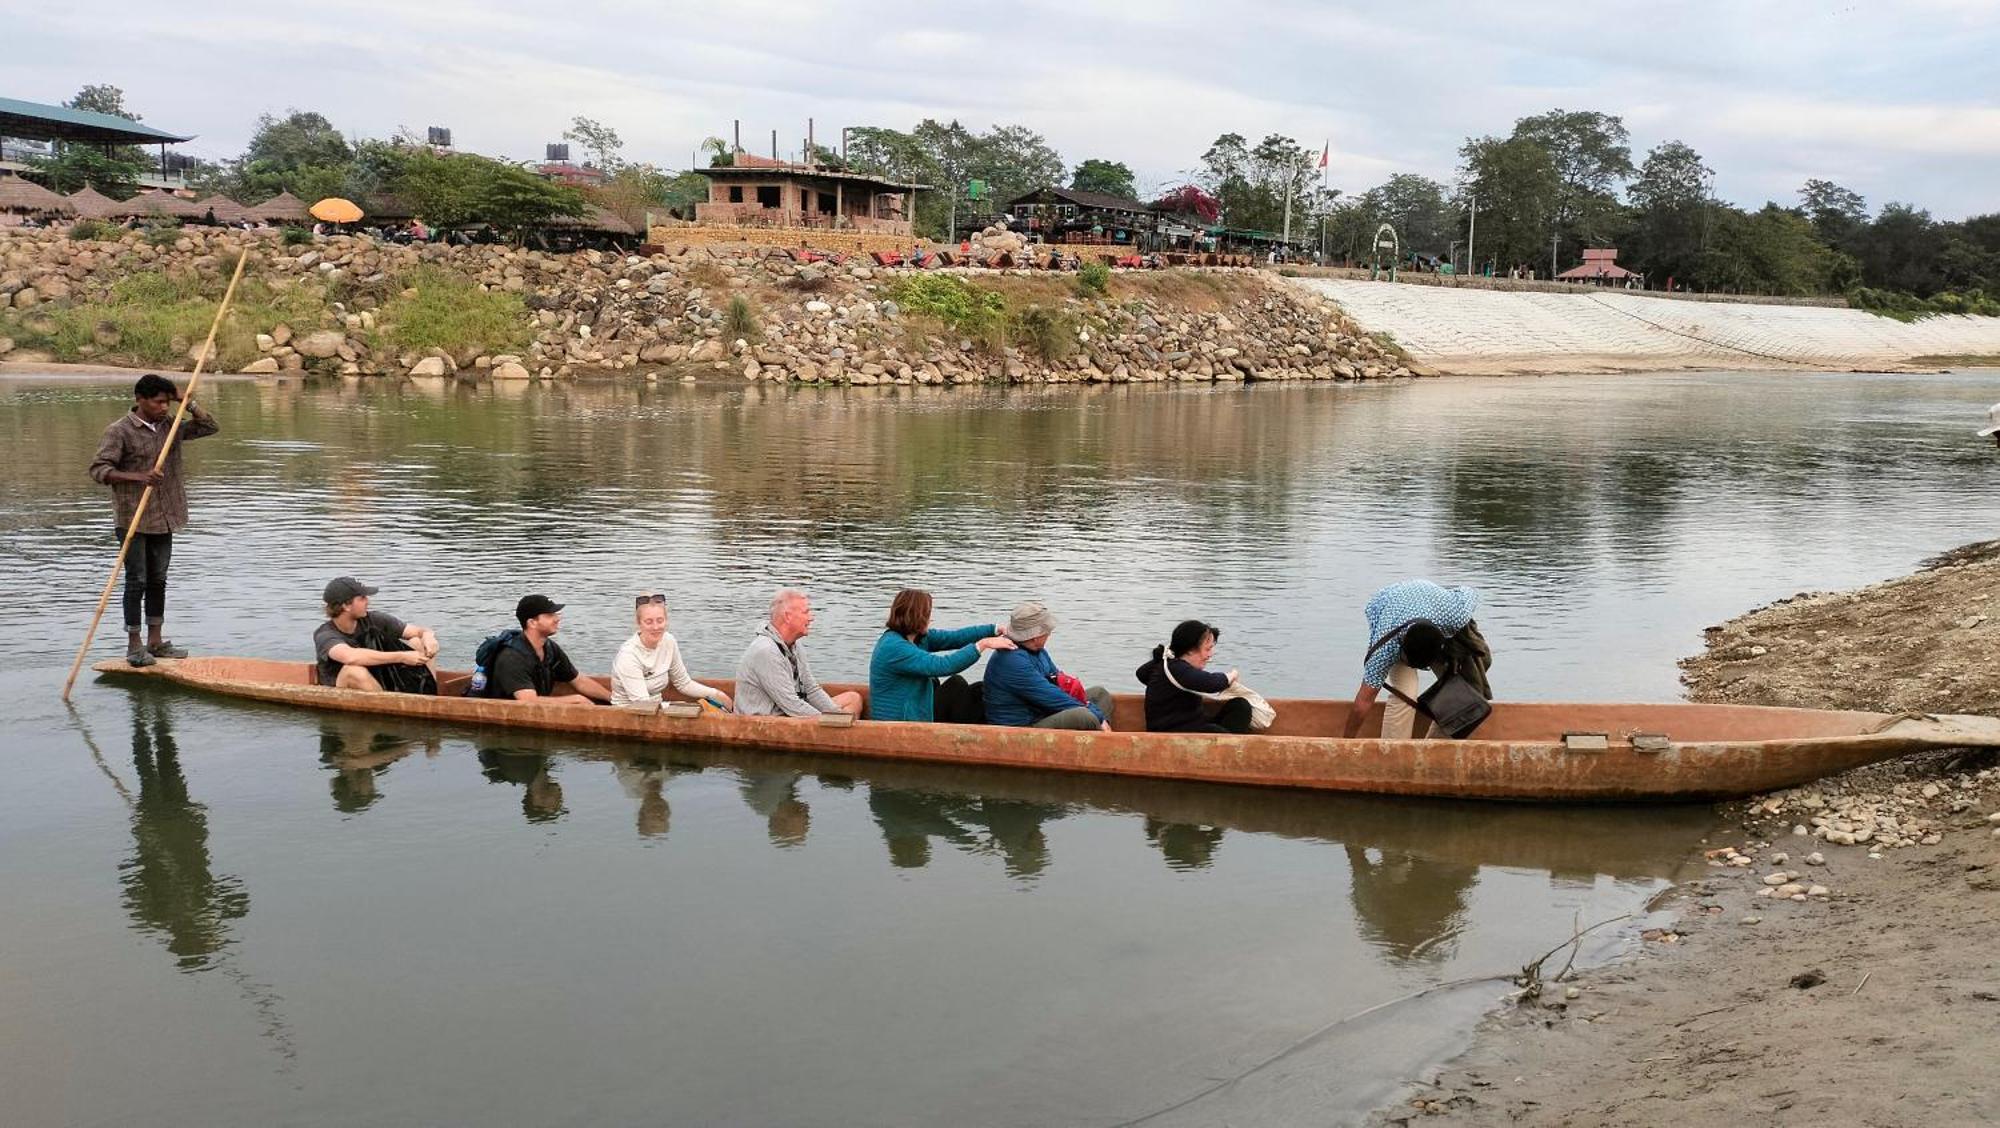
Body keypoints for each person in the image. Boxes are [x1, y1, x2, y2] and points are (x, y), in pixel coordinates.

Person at [89, 373, 220, 667]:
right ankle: (135, 646)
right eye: (158, 402)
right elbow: (99, 470)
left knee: (158, 580)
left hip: (166, 516)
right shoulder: (120, 431)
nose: (164, 407)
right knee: (136, 581)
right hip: (133, 517)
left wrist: (186, 401)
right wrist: (139, 476)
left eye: (167, 402)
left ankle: (156, 642)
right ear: (140, 400)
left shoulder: (170, 427)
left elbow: (210, 426)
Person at [1341, 581, 1485, 740]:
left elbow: (1470, 591)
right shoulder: (1384, 648)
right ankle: (1394, 751)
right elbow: (1364, 701)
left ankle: (1433, 747)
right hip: (1389, 604)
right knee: (1406, 693)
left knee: (1461, 696)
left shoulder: (1456, 615)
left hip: (1435, 609)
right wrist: (1347, 742)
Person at [867, 589, 1014, 722]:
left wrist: (994, 630)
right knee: (957, 684)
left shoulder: (916, 637)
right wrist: (983, 644)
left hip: (917, 709)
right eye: (927, 615)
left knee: (978, 690)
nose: (930, 620)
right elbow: (944, 665)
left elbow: (954, 637)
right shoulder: (894, 647)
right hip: (900, 722)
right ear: (916, 617)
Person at [983, 601, 1114, 731]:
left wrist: (1092, 709)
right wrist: (1098, 717)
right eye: (1047, 631)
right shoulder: (1012, 661)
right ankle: (1105, 740)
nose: (1049, 634)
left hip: (1042, 712)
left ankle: (1102, 736)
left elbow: (1056, 683)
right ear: (1035, 636)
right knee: (1084, 716)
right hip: (1020, 729)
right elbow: (1053, 698)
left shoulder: (1037, 650)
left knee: (1099, 694)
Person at [735, 588, 863, 717]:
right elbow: (792, 706)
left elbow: (811, 689)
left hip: (789, 715)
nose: (811, 618)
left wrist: (838, 716)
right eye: (806, 612)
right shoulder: (766, 650)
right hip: (766, 725)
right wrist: (830, 722)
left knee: (853, 699)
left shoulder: (795, 644)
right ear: (788, 616)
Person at [313, 576, 439, 693]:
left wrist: (428, 636)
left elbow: (418, 631)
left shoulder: (375, 619)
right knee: (353, 671)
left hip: (378, 679)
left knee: (418, 641)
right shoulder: (325, 634)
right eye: (362, 598)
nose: (368, 602)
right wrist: (402, 656)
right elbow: (350, 657)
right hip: (342, 686)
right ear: (346, 605)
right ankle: (392, 707)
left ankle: (430, 694)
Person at [611, 594, 732, 709]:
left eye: (660, 620)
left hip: (658, 708)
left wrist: (716, 694)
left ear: (666, 621)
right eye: (649, 622)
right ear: (639, 623)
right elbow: (643, 705)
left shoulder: (669, 641)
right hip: (631, 712)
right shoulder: (628, 655)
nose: (656, 627)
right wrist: (679, 706)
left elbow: (683, 683)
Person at [489, 594, 612, 705]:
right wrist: (576, 699)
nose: (557, 619)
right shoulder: (511, 658)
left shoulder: (550, 648)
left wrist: (613, 699)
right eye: (550, 615)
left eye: (556, 614)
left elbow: (579, 681)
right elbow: (527, 701)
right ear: (532, 623)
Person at [1135, 619, 1252, 734]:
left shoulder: (1173, 666)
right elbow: (1211, 684)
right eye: (1207, 649)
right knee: (1214, 731)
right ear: (1190, 650)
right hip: (1172, 733)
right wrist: (1232, 675)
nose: (1210, 655)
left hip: (1195, 725)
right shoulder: (1176, 668)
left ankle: (1231, 747)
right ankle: (1233, 750)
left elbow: (1141, 674)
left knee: (1240, 706)